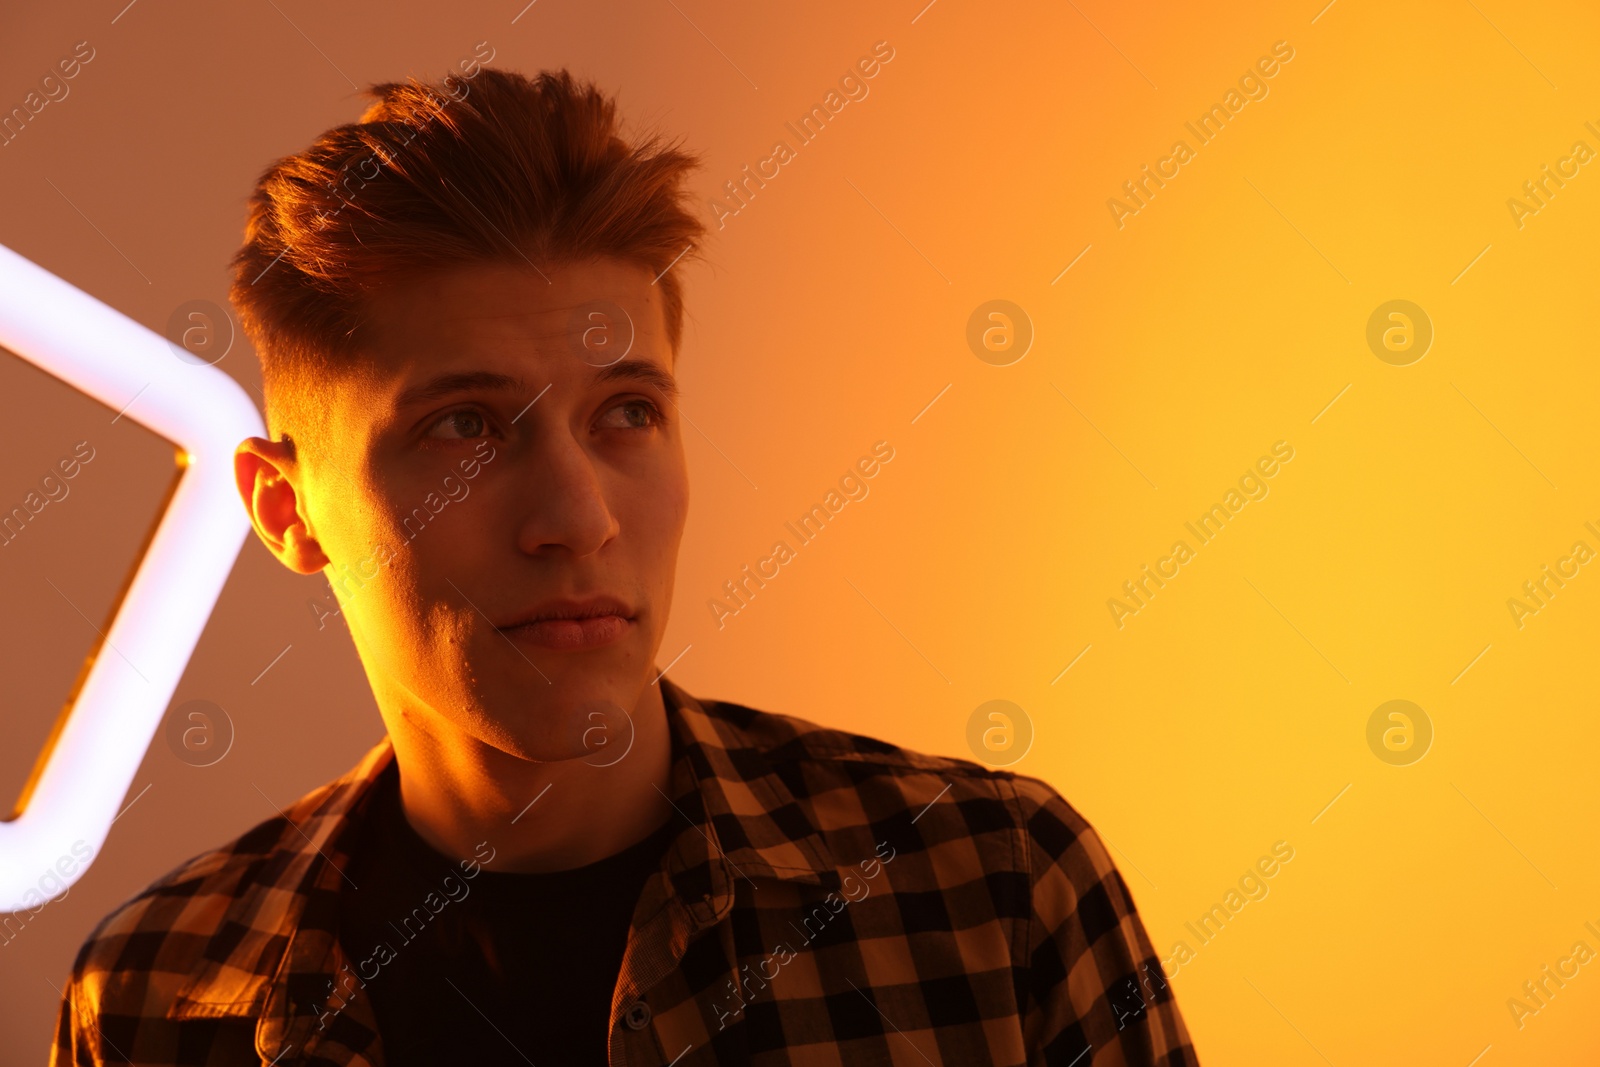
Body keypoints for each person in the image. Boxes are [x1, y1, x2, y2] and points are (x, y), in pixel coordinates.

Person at [50, 65, 1198, 1066]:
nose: (576, 516)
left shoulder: (989, 886)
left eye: (627, 412)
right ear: (287, 507)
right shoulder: (159, 996)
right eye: (467, 427)